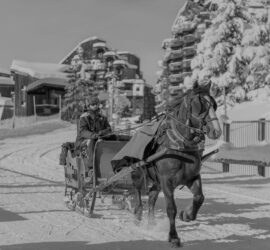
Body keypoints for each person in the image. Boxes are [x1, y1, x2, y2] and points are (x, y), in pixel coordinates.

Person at [75, 96, 112, 170]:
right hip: (84, 141)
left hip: (100, 138)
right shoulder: (84, 117)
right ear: (89, 105)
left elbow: (109, 129)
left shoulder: (102, 117)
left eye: (97, 104)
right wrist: (93, 135)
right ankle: (91, 167)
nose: (95, 105)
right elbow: (82, 131)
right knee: (92, 142)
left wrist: (102, 132)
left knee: (115, 138)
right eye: (93, 104)